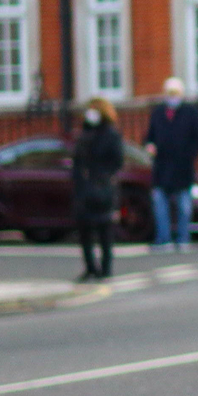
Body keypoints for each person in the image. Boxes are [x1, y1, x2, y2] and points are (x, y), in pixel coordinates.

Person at [143, 78, 198, 252]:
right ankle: (163, 239)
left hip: (182, 166)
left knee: (184, 205)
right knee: (160, 204)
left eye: (175, 94)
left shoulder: (191, 113)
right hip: (161, 165)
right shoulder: (158, 112)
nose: (172, 98)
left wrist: (188, 156)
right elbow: (149, 136)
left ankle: (183, 237)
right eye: (169, 94)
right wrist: (150, 145)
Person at [70, 97, 125, 282]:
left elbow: (117, 160)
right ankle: (90, 267)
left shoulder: (111, 134)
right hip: (85, 188)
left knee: (104, 229)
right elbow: (77, 160)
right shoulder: (85, 134)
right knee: (84, 230)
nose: (90, 113)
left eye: (94, 110)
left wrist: (104, 176)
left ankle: (106, 267)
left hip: (102, 187)